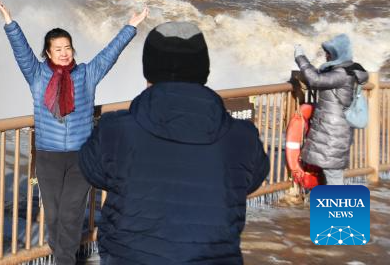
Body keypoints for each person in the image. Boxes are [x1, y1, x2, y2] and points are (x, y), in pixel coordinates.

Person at [78, 21, 270, 264]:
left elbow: (91, 170)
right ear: (204, 70)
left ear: (149, 70)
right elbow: (251, 179)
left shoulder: (115, 129)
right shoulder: (242, 136)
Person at [0, 0, 148, 265]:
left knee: (72, 212)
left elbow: (110, 53)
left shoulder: (87, 74)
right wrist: (9, 21)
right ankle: (62, 253)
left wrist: (130, 26)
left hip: (81, 156)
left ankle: (64, 260)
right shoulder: (37, 75)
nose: (65, 53)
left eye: (68, 47)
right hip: (49, 156)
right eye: (58, 49)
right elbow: (20, 49)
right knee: (52, 214)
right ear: (48, 53)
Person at [294, 33, 369, 185]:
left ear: (337, 54)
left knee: (333, 175)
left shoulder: (341, 74)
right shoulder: (347, 70)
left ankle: (337, 208)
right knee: (332, 172)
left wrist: (300, 58)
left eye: (329, 52)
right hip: (335, 129)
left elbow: (315, 80)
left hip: (333, 131)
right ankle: (331, 206)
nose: (326, 56)